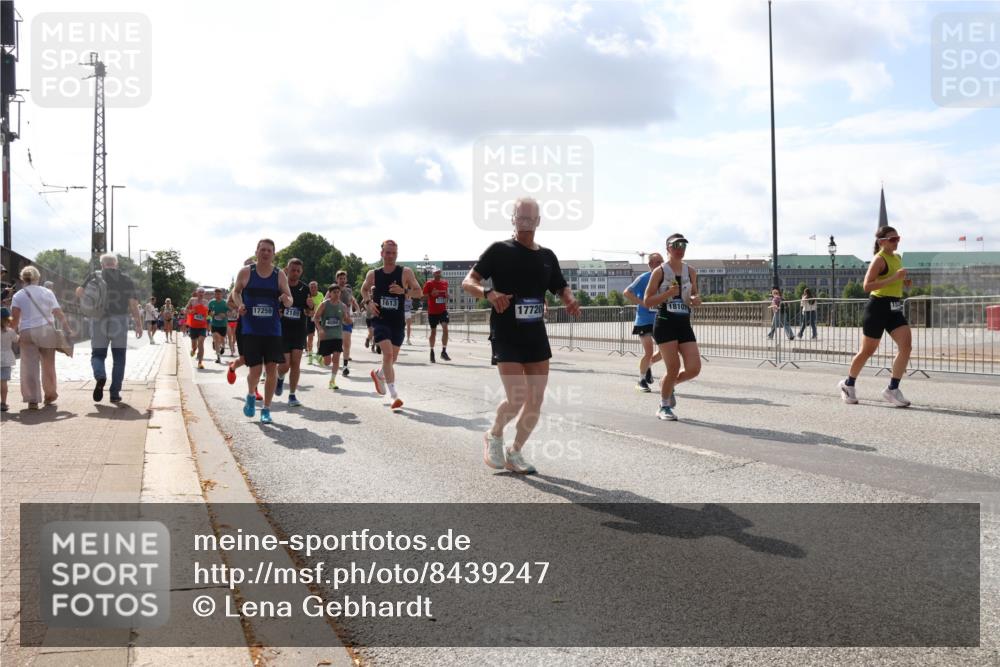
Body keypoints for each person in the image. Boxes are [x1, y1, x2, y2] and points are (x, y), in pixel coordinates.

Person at [462, 197, 581, 474]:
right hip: (505, 333)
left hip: (536, 335)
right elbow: (469, 281)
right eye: (521, 218)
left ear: (539, 221)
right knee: (517, 397)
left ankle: (515, 452)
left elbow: (561, 287)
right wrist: (489, 294)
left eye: (531, 219)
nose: (525, 223)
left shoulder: (547, 257)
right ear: (512, 219)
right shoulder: (499, 250)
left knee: (535, 400)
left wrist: (569, 299)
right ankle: (494, 433)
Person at [839, 226, 913, 407]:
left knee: (906, 346)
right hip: (878, 307)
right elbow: (867, 286)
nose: (896, 242)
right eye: (892, 239)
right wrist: (895, 277)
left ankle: (892, 389)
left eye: (898, 238)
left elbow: (893, 281)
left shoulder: (897, 257)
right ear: (882, 242)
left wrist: (904, 282)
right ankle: (848, 384)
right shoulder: (878, 260)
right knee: (867, 351)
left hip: (894, 307)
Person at [231, 239, 293, 424]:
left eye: (269, 250)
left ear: (273, 254)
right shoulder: (246, 272)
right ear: (256, 251)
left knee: (271, 369)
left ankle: (266, 409)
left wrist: (285, 298)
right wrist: (240, 304)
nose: (266, 253)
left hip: (272, 330)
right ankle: (251, 394)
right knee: (255, 371)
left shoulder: (279, 274)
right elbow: (236, 292)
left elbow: (289, 299)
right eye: (263, 250)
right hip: (251, 329)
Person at [643, 233, 702, 421]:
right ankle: (664, 406)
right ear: (667, 248)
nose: (680, 249)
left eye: (683, 245)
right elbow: (647, 300)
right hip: (665, 323)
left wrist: (695, 300)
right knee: (673, 367)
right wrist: (668, 293)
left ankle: (667, 384)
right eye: (676, 245)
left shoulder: (691, 271)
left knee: (694, 368)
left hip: (684, 323)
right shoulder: (659, 272)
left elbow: (693, 295)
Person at [361, 240, 423, 410]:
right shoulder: (373, 274)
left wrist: (404, 291)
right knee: (387, 355)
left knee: (392, 358)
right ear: (381, 254)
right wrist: (368, 303)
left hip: (397, 322)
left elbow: (419, 292)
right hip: (380, 320)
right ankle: (394, 396)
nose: (390, 256)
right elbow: (364, 289)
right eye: (387, 252)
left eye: (393, 253)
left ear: (397, 254)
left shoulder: (405, 272)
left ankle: (379, 374)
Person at [77, 255, 143, 404]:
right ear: (116, 264)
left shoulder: (94, 276)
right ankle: (114, 393)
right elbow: (133, 304)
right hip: (120, 320)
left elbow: (79, 292)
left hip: (98, 319)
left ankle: (100, 375)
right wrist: (138, 324)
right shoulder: (126, 279)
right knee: (119, 358)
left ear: (102, 265)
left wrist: (91, 302)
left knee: (98, 354)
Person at [275, 258, 313, 407]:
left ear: (301, 272)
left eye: (298, 271)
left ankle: (292, 395)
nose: (295, 273)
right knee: (285, 365)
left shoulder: (305, 289)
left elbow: (310, 313)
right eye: (293, 270)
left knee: (296, 363)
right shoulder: (280, 288)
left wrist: (311, 307)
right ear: (287, 269)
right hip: (282, 331)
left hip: (298, 330)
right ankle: (280, 377)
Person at [624, 252, 665, 392]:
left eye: (662, 261)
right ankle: (641, 380)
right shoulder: (643, 278)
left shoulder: (665, 278)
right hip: (644, 320)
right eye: (658, 262)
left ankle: (647, 367)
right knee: (648, 352)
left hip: (660, 319)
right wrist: (643, 303)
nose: (661, 264)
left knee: (664, 352)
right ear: (650, 264)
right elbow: (626, 292)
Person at [314, 284, 353, 389]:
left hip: (337, 336)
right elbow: (315, 318)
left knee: (336, 359)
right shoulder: (324, 305)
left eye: (338, 292)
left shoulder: (343, 306)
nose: (336, 294)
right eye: (334, 292)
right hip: (326, 337)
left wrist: (348, 320)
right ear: (330, 294)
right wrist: (320, 329)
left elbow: (347, 320)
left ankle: (332, 381)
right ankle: (321, 358)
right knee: (327, 363)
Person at [422, 267, 451, 362]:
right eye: (436, 273)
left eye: (439, 273)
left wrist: (447, 296)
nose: (438, 274)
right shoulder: (429, 284)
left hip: (443, 310)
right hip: (432, 312)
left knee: (445, 328)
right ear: (433, 274)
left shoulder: (445, 283)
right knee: (433, 332)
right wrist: (431, 294)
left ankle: (444, 351)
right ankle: (432, 351)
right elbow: (423, 297)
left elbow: (446, 295)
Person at [335, 270, 360, 376]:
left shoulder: (349, 290)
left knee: (346, 343)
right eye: (340, 278)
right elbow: (325, 302)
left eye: (344, 278)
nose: (342, 280)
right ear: (337, 279)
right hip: (335, 321)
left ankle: (345, 366)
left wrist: (358, 310)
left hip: (347, 320)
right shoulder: (333, 290)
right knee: (337, 344)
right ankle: (333, 359)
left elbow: (353, 301)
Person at [186, 288, 210, 369]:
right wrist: (190, 311)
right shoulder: (192, 300)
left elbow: (209, 313)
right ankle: (193, 350)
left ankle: (200, 363)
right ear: (196, 292)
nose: (201, 293)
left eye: (202, 292)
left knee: (201, 343)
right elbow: (186, 309)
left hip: (202, 326)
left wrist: (210, 316)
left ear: (204, 294)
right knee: (194, 346)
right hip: (193, 325)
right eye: (199, 292)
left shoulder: (206, 302)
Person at [1, 306, 19, 412]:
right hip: (6, 359)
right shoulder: (10, 331)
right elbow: (17, 340)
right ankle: (3, 403)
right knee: (3, 382)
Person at [208, 288, 229, 364]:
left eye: (219, 294)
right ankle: (218, 357)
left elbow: (229, 312)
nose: (217, 295)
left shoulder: (225, 303)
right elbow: (209, 313)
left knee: (222, 339)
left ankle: (223, 347)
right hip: (214, 324)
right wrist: (211, 314)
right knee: (217, 339)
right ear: (214, 294)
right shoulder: (211, 303)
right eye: (216, 294)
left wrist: (225, 315)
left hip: (223, 324)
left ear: (221, 294)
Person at [305, 280, 322, 364]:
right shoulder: (307, 296)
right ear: (309, 288)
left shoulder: (321, 294)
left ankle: (319, 354)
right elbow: (305, 309)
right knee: (310, 338)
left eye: (314, 287)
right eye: (311, 287)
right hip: (310, 318)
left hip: (319, 318)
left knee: (320, 336)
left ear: (317, 288)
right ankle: (310, 356)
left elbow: (323, 305)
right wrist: (309, 312)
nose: (313, 289)